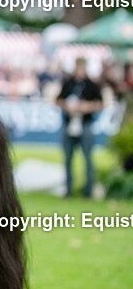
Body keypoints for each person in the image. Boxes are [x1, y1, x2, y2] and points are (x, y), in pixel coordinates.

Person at [55, 57, 104, 198]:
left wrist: (86, 107)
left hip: (85, 124)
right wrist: (67, 106)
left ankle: (88, 190)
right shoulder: (68, 83)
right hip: (69, 124)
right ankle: (68, 189)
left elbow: (100, 103)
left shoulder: (91, 85)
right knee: (67, 158)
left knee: (88, 158)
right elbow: (57, 100)